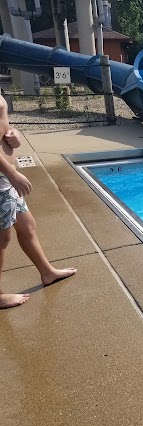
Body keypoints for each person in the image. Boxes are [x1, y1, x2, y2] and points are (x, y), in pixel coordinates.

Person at [0, 92, 76, 309]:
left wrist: (15, 136)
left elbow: (4, 124)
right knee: (1, 239)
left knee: (27, 226)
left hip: (6, 177)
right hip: (3, 178)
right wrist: (12, 175)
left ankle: (47, 272)